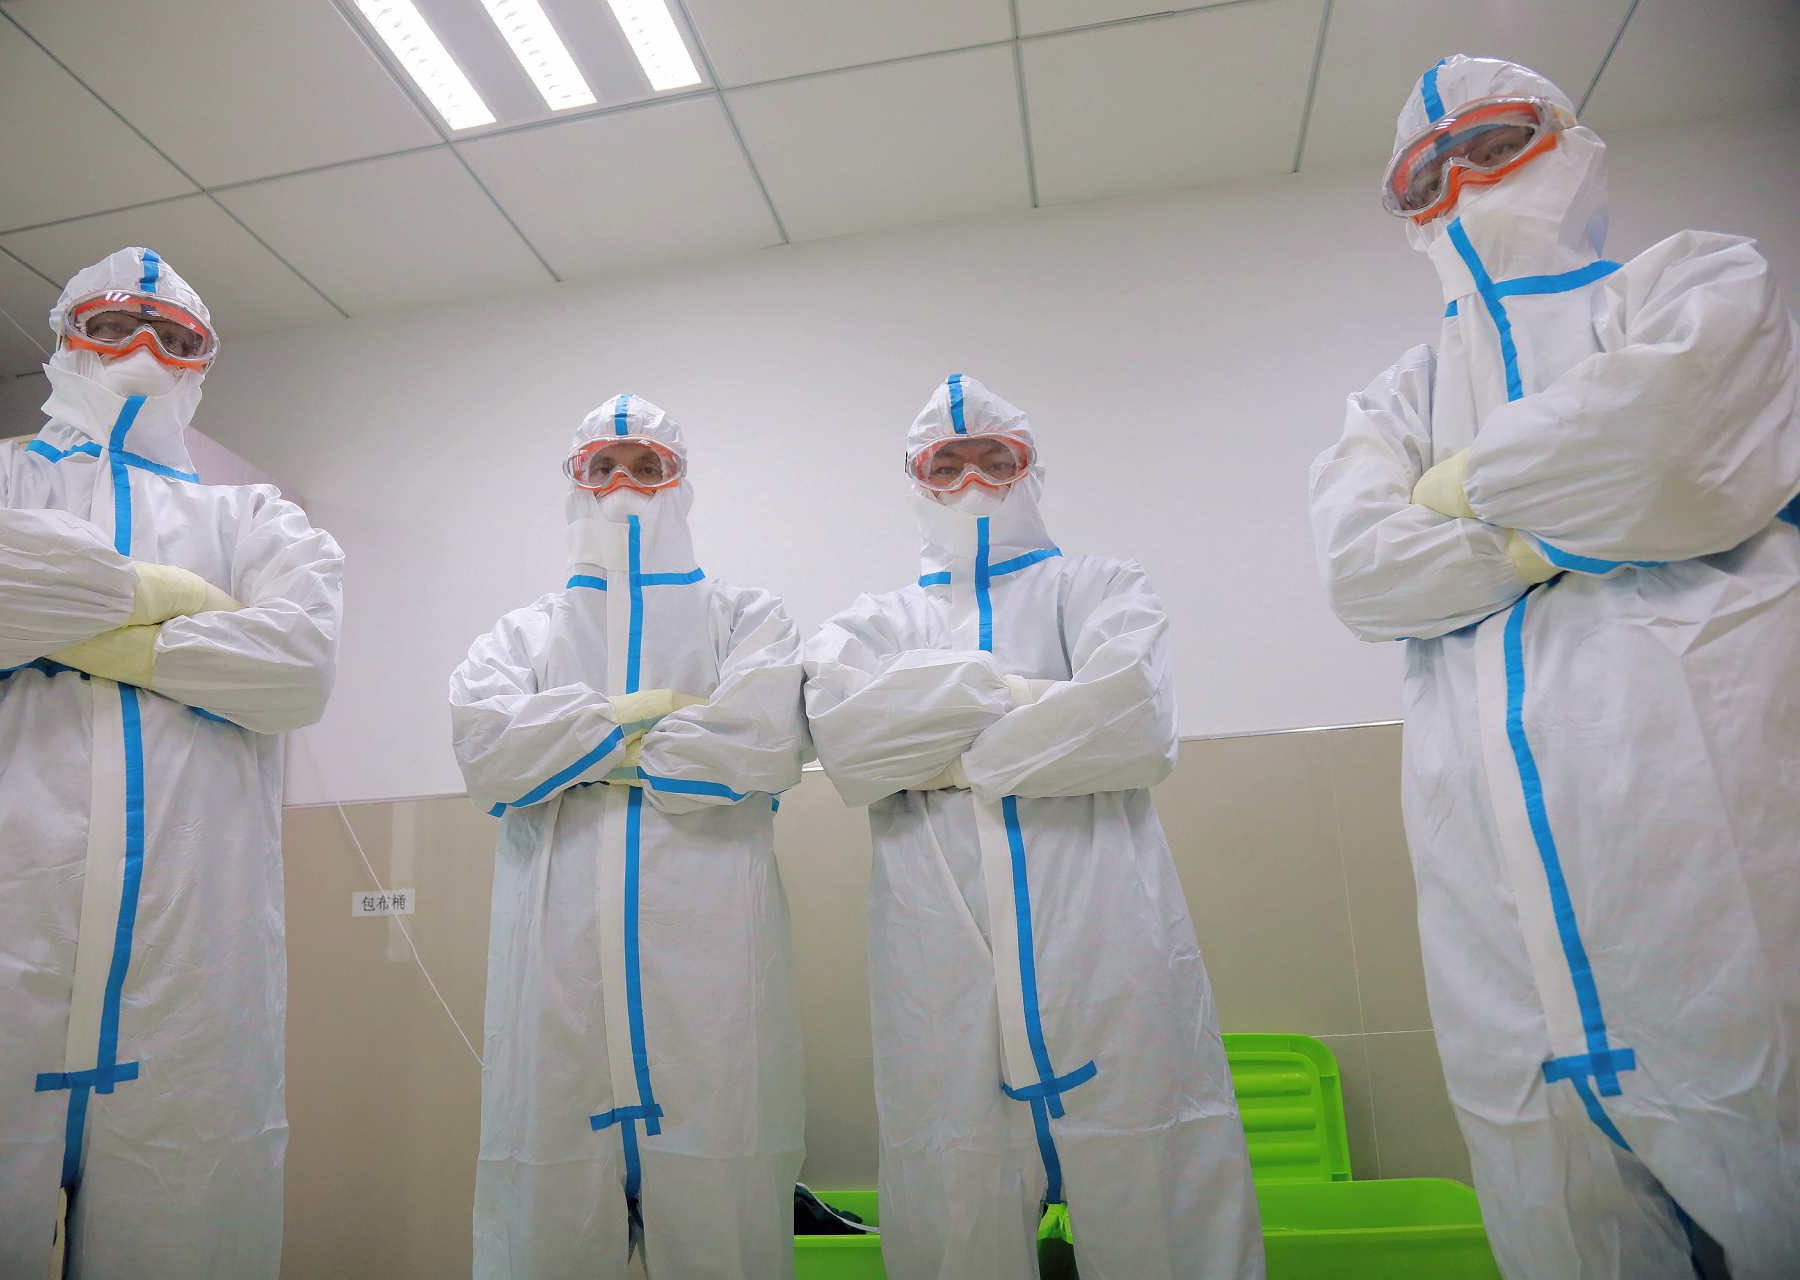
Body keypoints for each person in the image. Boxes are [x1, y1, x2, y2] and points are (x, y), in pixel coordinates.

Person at [1310, 54, 1800, 1280]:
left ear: (1567, 143)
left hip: (1715, 893)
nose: (1462, 185)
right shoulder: (1395, 399)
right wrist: (1558, 537)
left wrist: (1458, 495)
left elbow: (1666, 448)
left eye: (1493, 145)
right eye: (1427, 175)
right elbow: (1363, 571)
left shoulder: (1693, 284)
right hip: (1495, 935)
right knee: (1561, 1233)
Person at [0, 247, 344, 1278]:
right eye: (112, 326)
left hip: (191, 979)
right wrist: (180, 604)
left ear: (202, 365)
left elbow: (296, 666)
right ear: (64, 342)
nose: (143, 352)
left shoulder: (256, 521)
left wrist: (37, 619)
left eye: (174, 338)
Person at [803, 375, 1263, 1280]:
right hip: (941, 959)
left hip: (1105, 947)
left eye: (995, 458)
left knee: (1158, 1188)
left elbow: (1130, 724)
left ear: (1030, 469)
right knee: (952, 1199)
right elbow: (852, 745)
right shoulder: (873, 623)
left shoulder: (1104, 588)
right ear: (916, 480)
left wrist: (938, 748)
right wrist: (1033, 701)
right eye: (947, 464)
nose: (973, 480)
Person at [451, 394, 810, 1280]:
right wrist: (667, 715)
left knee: (726, 1219)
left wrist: (572, 745)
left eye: (648, 467)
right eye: (602, 467)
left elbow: (759, 746)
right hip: (557, 983)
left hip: (711, 977)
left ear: (680, 481)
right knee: (546, 1224)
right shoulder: (523, 634)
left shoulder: (747, 618)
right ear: (574, 481)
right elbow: (492, 755)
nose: (624, 486)